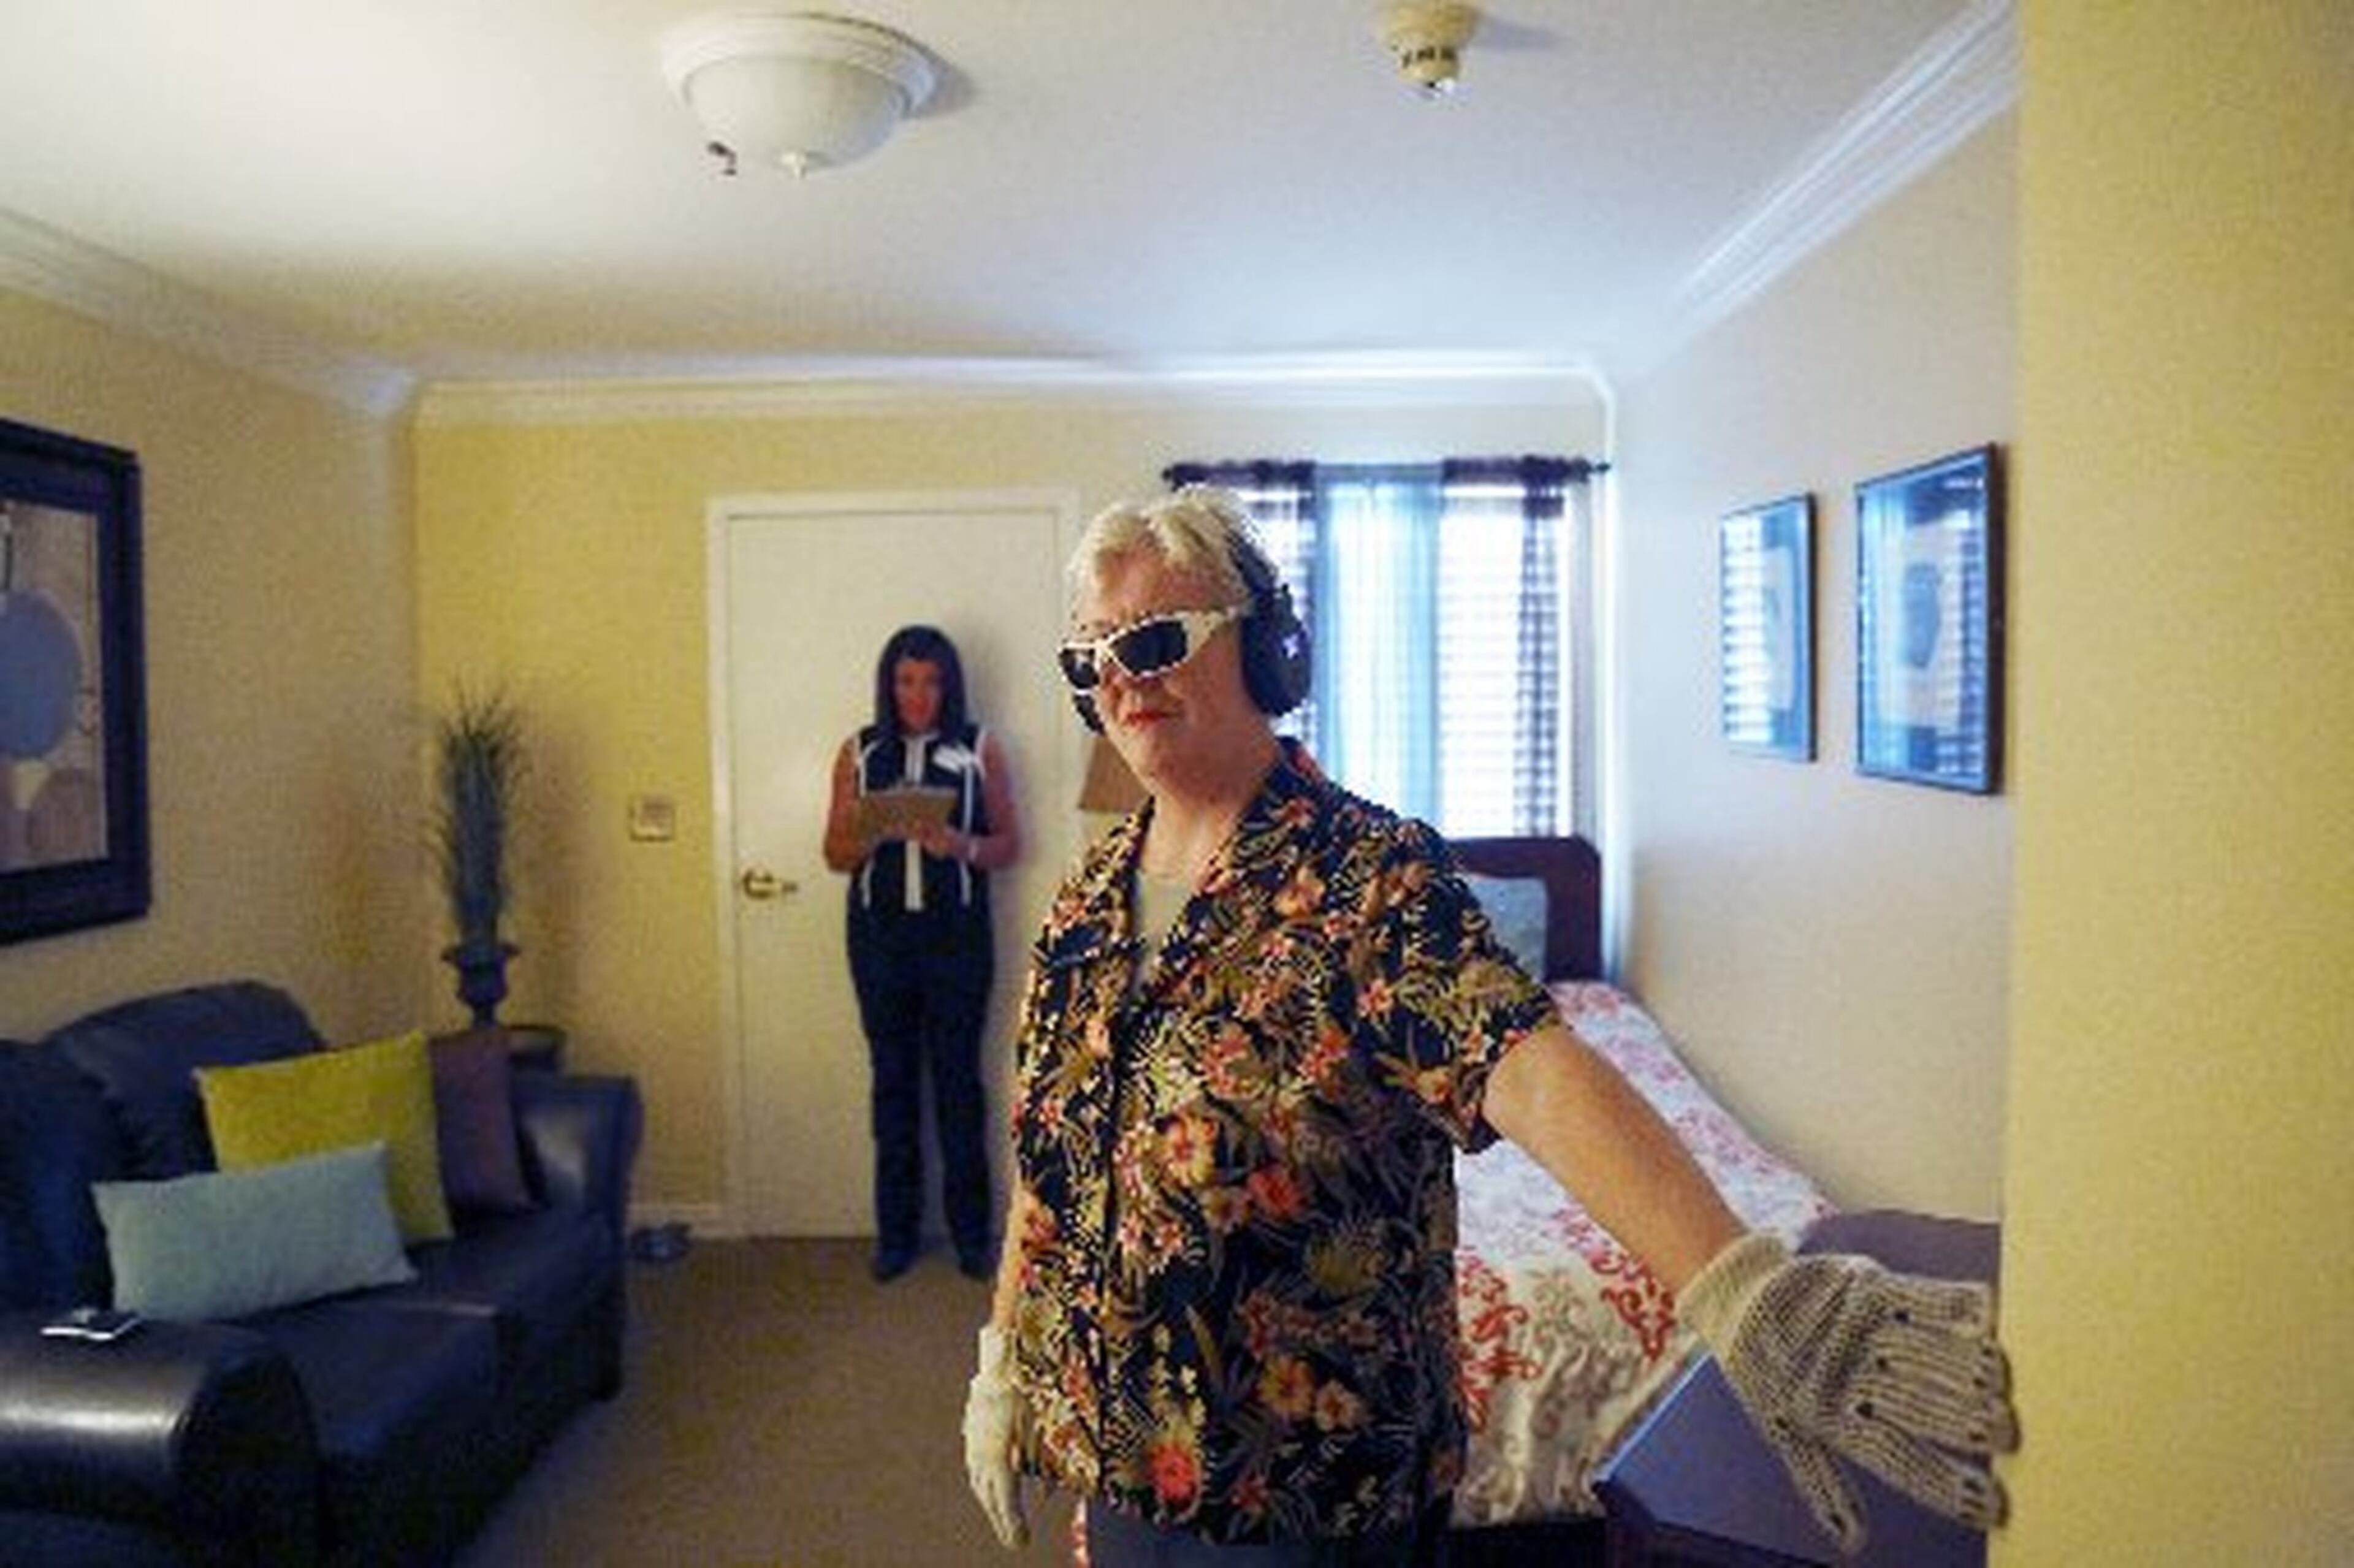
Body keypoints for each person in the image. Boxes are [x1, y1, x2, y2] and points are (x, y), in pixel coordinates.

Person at [962, 489, 2015, 1565]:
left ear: (1265, 651)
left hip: (1314, 1500)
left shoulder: (1371, 880)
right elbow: (1050, 1159)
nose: (1120, 677)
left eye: (1152, 639)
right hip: (1126, 1465)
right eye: (1089, 656)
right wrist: (1006, 1358)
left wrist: (1739, 1286)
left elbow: (1534, 1068)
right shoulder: (1088, 899)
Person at [823, 625, 1021, 1282]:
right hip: (879, 935)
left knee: (959, 1082)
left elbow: (1009, 844)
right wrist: (869, 832)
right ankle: (896, 1234)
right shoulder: (859, 750)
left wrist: (957, 844)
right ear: (889, 683)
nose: (918, 694)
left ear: (949, 685)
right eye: (906, 680)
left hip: (958, 935)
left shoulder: (979, 747)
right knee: (893, 1082)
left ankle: (971, 1235)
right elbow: (833, 855)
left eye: (931, 680)